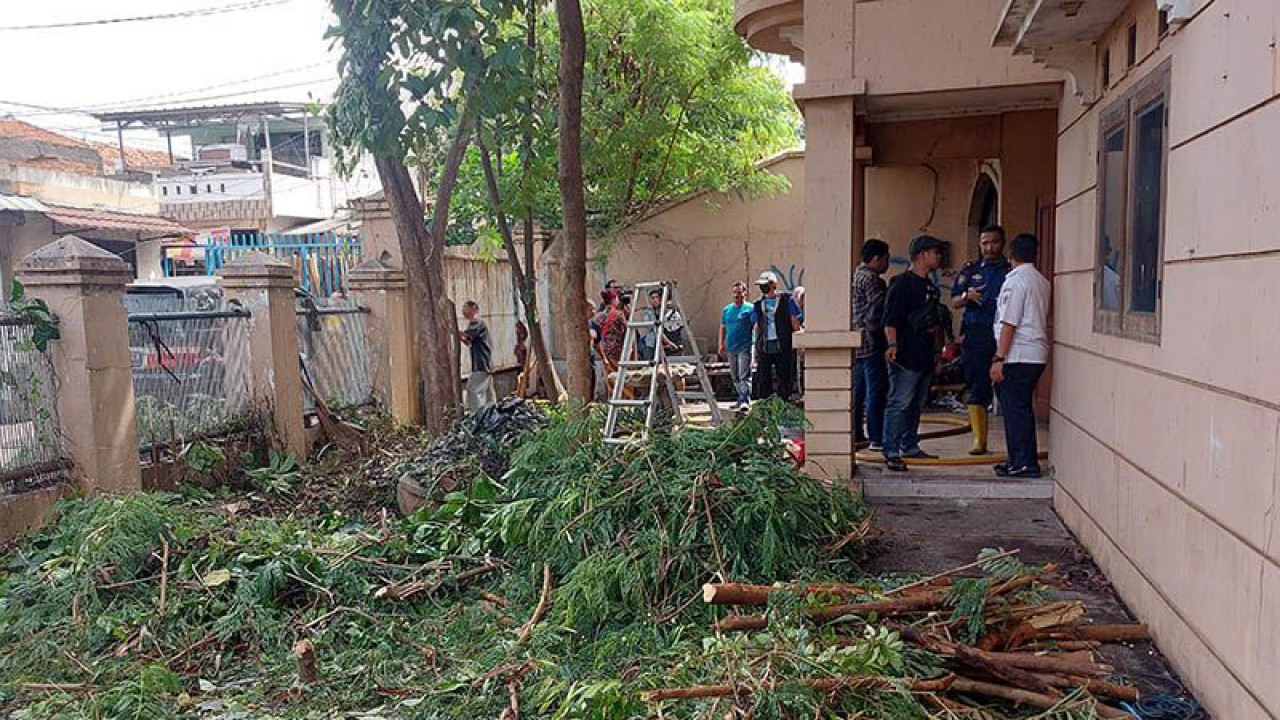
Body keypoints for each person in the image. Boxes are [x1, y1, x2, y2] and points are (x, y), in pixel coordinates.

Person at [881, 235, 946, 472]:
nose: (939, 256)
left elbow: (936, 323)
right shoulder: (902, 284)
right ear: (922, 255)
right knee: (899, 402)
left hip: (925, 355)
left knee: (916, 404)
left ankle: (909, 445)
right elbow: (891, 319)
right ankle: (891, 450)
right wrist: (893, 345)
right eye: (935, 252)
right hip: (906, 356)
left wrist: (938, 353)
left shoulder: (930, 287)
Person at [990, 233, 1051, 478]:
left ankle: (1024, 462)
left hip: (1018, 354)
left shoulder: (1015, 281)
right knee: (1021, 408)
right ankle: (1018, 458)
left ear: (1011, 254)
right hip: (1034, 353)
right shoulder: (1041, 280)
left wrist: (999, 358)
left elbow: (1009, 322)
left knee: (1015, 410)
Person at [951, 225, 1011, 455]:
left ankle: (1012, 441)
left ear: (1002, 243)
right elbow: (955, 300)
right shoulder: (970, 270)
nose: (989, 247)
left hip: (1003, 334)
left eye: (994, 242)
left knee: (1007, 387)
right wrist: (968, 296)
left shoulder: (1009, 270)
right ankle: (979, 441)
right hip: (976, 334)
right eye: (985, 243)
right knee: (977, 385)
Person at [852, 238, 890, 451]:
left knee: (858, 392)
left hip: (856, 343)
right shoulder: (874, 280)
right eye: (886, 259)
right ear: (876, 259)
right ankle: (877, 437)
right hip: (871, 343)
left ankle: (857, 433)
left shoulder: (854, 276)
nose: (887, 264)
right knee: (876, 391)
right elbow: (876, 316)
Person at [750, 271, 803, 401]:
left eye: (765, 285)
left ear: (773, 284)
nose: (763, 288)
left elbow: (794, 320)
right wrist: (756, 347)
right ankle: (766, 407)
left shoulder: (786, 300)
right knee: (764, 379)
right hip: (765, 345)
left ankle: (783, 403)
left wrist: (799, 341)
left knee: (784, 377)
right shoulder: (758, 304)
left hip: (783, 345)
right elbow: (757, 326)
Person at [718, 280, 754, 409]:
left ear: (745, 293)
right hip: (731, 346)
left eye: (739, 293)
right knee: (735, 375)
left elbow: (756, 327)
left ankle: (745, 399)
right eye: (734, 293)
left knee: (744, 373)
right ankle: (739, 397)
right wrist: (720, 344)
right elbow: (723, 327)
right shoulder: (727, 310)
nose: (736, 296)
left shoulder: (750, 309)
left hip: (745, 346)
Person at [458, 300, 496, 412]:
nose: (463, 311)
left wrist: (454, 329)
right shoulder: (476, 324)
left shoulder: (477, 322)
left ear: (473, 309)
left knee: (473, 390)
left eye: (465, 307)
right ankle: (492, 415)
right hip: (485, 363)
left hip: (481, 363)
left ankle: (477, 417)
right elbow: (468, 341)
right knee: (488, 393)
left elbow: (467, 335)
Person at [592, 290, 629, 399]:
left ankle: (612, 397)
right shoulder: (618, 315)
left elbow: (595, 337)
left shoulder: (598, 317)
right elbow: (627, 332)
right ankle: (623, 399)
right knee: (622, 376)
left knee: (610, 376)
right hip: (618, 350)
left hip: (604, 351)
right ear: (613, 300)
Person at [639, 288, 685, 361]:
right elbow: (656, 330)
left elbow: (677, 328)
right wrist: (669, 343)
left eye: (657, 297)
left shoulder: (669, 312)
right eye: (653, 298)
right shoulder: (649, 313)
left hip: (667, 345)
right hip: (651, 344)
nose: (655, 300)